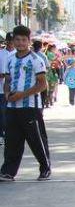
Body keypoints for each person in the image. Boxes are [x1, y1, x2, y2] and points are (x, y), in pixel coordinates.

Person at [0, 25, 51, 180]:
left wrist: (22, 95)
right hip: (12, 106)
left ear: (29, 41)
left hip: (30, 106)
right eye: (17, 40)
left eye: (24, 40)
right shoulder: (9, 59)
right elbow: (7, 80)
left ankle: (45, 167)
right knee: (12, 140)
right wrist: (8, 93)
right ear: (13, 41)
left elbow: (42, 84)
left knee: (36, 140)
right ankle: (8, 171)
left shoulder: (36, 60)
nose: (20, 43)